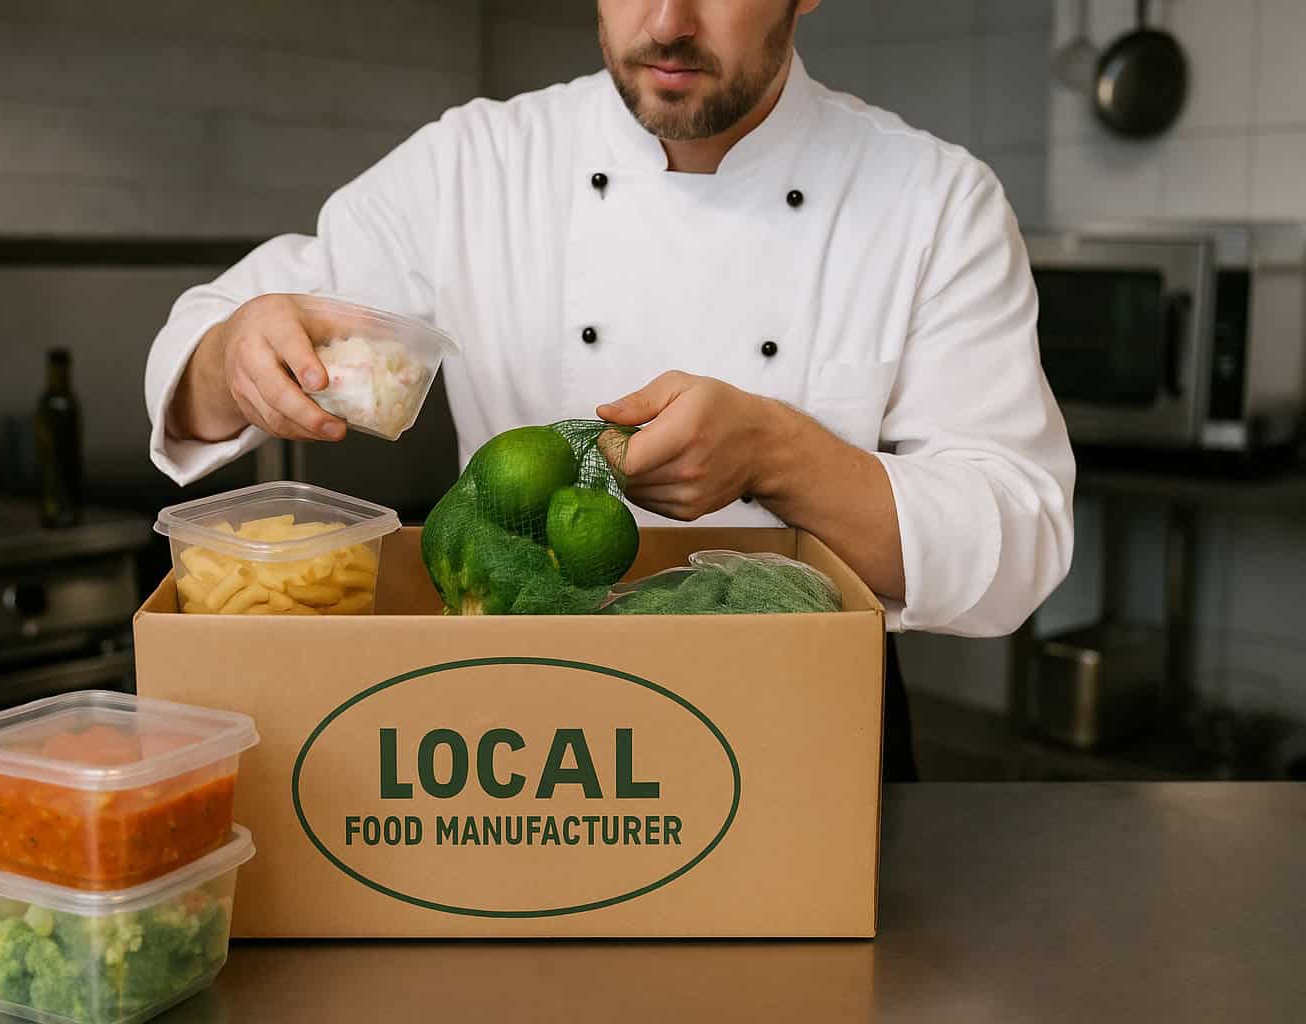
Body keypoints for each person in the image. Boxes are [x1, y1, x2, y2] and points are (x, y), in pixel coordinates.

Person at [144, 0, 1076, 781]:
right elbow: (228, 337)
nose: (667, 23)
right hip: (512, 740)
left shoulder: (932, 200)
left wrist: (780, 456)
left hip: (808, 722)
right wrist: (235, 353)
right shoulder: (475, 165)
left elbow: (1018, 533)